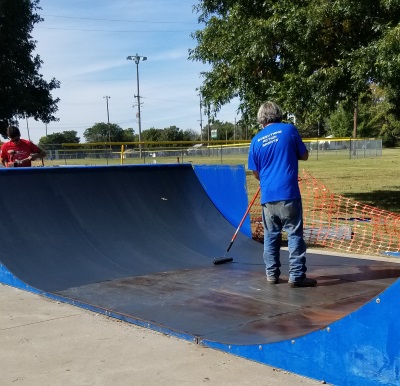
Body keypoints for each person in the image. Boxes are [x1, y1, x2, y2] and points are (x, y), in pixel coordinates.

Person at [248, 101, 317, 288]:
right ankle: (296, 276)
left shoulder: (256, 141)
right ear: (278, 114)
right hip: (288, 193)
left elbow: (255, 172)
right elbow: (304, 155)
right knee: (294, 234)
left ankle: (272, 275)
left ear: (261, 119)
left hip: (268, 196)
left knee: (271, 236)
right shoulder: (289, 130)